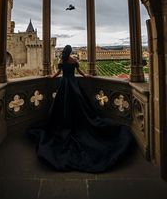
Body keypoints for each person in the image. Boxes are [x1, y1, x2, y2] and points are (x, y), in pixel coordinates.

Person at [28, 45, 133, 173]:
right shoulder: (74, 61)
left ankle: (65, 123)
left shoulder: (62, 61)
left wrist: (50, 77)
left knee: (62, 105)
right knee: (79, 105)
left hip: (64, 85)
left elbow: (57, 74)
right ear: (70, 52)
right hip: (73, 83)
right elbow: (81, 73)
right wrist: (87, 75)